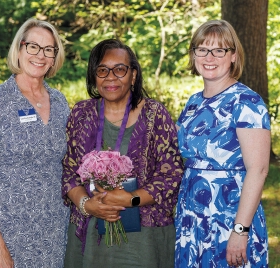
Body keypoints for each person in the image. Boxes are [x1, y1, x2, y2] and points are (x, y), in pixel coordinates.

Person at [61, 38, 184, 267]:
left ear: (133, 75)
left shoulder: (155, 115)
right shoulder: (81, 114)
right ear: (94, 75)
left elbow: (172, 175)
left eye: (119, 69)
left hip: (142, 241)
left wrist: (131, 198)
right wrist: (87, 204)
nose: (110, 77)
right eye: (102, 70)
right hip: (89, 237)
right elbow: (69, 171)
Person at [0, 18, 70, 267]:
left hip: (55, 233)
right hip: (7, 236)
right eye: (33, 46)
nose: (40, 55)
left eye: (48, 49)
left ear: (55, 57)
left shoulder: (60, 103)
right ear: (20, 49)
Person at [174, 19, 270, 267]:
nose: (210, 57)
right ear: (193, 54)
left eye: (219, 50)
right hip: (192, 217)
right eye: (202, 49)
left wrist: (240, 230)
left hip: (230, 216)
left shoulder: (248, 102)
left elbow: (258, 170)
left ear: (234, 56)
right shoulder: (193, 103)